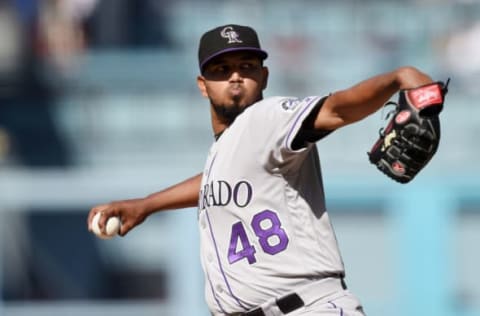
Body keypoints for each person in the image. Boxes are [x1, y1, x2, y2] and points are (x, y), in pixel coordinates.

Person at [88, 24, 437, 315]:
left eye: (247, 67)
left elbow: (337, 109)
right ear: (202, 84)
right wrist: (146, 205)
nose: (236, 77)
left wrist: (397, 78)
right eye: (221, 70)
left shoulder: (268, 117)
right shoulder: (229, 150)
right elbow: (214, 182)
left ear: (264, 76)